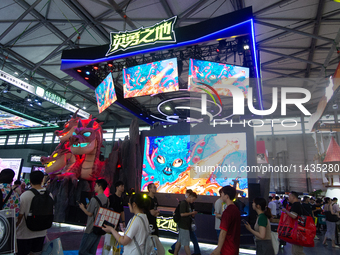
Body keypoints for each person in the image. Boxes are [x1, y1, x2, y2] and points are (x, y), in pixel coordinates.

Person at [16, 171, 52, 255]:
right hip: (41, 232)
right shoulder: (49, 194)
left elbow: (20, 215)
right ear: (42, 180)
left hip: (24, 233)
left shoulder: (26, 195)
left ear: (30, 180)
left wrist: (15, 227)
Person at [78, 179, 109, 255]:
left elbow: (89, 213)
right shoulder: (107, 200)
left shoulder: (94, 199)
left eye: (96, 185)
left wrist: (83, 208)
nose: (94, 187)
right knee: (92, 251)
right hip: (99, 227)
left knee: (82, 251)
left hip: (91, 228)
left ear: (100, 187)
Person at [211, 185, 241, 255]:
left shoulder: (227, 212)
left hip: (227, 249)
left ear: (227, 196)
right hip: (234, 247)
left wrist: (218, 249)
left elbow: (223, 232)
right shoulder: (236, 210)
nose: (221, 195)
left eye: (222, 194)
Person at [174, 190, 198, 255]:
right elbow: (182, 214)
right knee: (186, 243)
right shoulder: (183, 203)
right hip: (183, 225)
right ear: (189, 196)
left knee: (179, 241)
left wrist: (191, 214)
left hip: (185, 225)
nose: (193, 201)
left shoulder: (188, 204)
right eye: (193, 199)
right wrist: (191, 213)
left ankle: (175, 253)